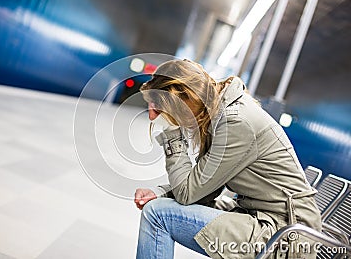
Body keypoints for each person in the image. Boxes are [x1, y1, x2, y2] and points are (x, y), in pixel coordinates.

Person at [134, 59, 321, 259]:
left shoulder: (236, 122)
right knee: (159, 208)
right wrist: (160, 193)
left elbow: (187, 194)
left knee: (158, 215)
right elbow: (202, 190)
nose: (153, 116)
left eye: (158, 108)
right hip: (265, 221)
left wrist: (171, 130)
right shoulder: (221, 115)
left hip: (285, 238)